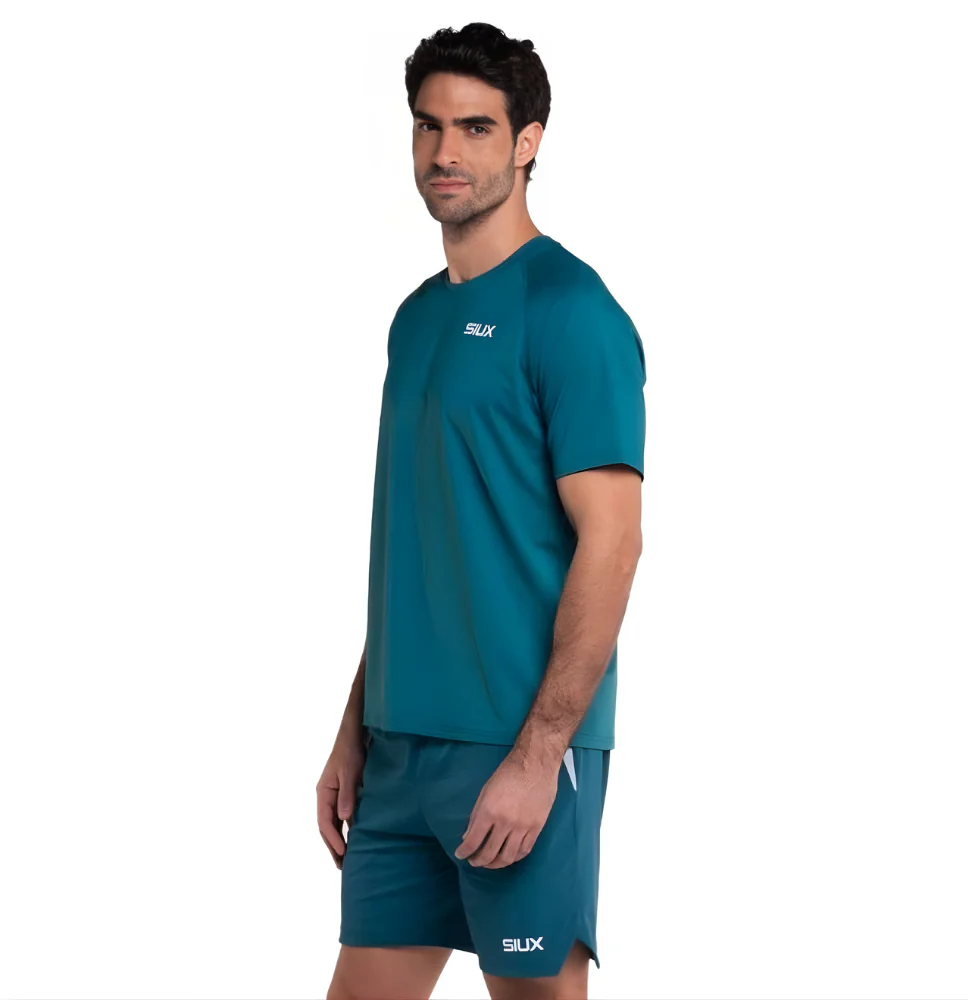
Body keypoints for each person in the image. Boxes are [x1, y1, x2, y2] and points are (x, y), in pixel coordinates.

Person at [317, 22, 646, 1000]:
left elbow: (614, 544)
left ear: (527, 142)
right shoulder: (416, 318)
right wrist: (356, 726)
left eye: (474, 127)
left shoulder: (571, 312)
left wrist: (540, 755)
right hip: (399, 751)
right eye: (428, 126)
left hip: (515, 742)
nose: (444, 152)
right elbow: (424, 550)